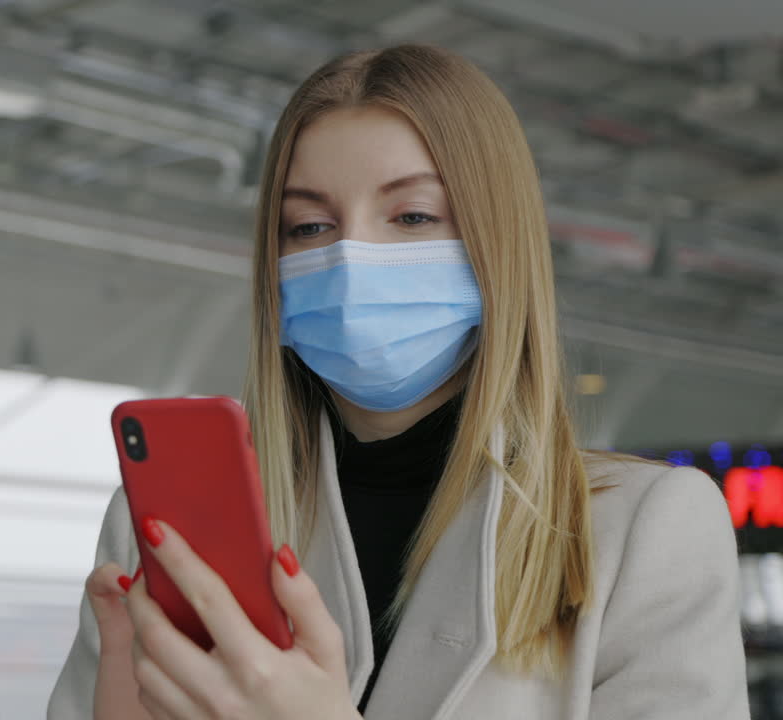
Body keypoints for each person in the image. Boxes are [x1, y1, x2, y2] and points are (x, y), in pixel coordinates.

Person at [47, 44, 748, 719]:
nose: (351, 258)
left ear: (496, 245)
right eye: (309, 226)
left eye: (412, 216)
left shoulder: (643, 529)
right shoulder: (165, 528)